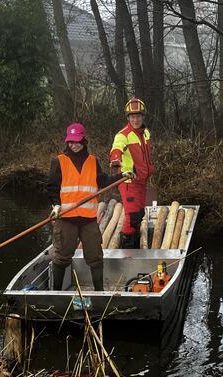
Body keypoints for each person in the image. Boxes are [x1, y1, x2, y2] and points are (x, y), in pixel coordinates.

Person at [47, 123, 133, 291]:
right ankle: (56, 292)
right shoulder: (58, 161)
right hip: (66, 219)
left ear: (84, 140)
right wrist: (56, 205)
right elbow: (52, 188)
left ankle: (99, 291)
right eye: (71, 141)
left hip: (88, 220)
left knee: (95, 257)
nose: (74, 145)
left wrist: (121, 176)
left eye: (77, 141)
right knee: (62, 258)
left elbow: (103, 181)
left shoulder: (93, 161)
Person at [109, 97, 154, 249]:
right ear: (128, 117)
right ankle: (127, 250)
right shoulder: (123, 135)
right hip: (129, 182)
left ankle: (134, 243)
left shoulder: (145, 132)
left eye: (139, 116)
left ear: (143, 116)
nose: (136, 119)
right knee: (131, 216)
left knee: (139, 213)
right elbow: (116, 149)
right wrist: (116, 160)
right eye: (133, 116)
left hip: (141, 180)